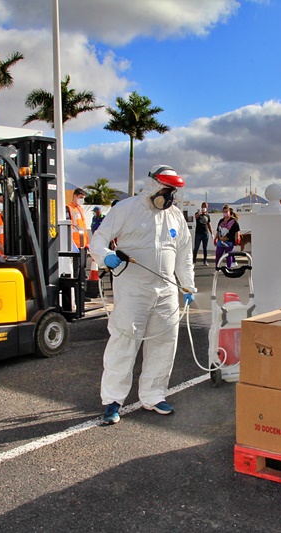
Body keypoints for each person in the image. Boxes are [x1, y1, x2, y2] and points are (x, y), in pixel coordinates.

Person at [90, 164, 196, 425]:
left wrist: (188, 286)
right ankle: (113, 401)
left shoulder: (175, 216)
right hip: (133, 290)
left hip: (167, 291)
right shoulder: (126, 209)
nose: (169, 196)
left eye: (173, 191)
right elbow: (98, 240)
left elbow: (184, 255)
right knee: (124, 342)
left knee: (164, 344)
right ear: (152, 186)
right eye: (166, 189)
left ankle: (153, 395)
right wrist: (107, 256)